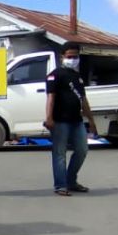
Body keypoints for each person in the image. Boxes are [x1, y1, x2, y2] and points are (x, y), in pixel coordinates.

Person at [45, 42, 97, 196]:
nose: (73, 59)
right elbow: (50, 98)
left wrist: (92, 121)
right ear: (62, 57)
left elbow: (84, 100)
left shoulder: (77, 77)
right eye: (70, 56)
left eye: (76, 56)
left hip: (77, 120)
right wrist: (49, 118)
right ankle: (61, 186)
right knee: (60, 154)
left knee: (82, 150)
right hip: (60, 121)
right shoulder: (55, 75)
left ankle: (71, 181)